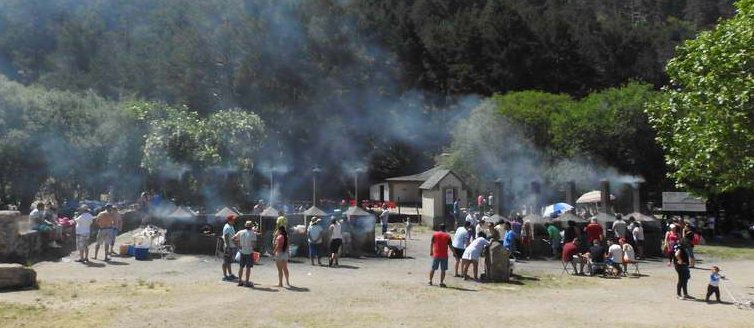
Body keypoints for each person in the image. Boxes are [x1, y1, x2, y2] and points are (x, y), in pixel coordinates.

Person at [232, 221, 258, 287]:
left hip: (242, 251)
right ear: (251, 226)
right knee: (248, 268)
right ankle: (246, 282)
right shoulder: (253, 233)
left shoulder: (240, 232)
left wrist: (238, 245)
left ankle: (240, 281)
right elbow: (254, 245)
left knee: (241, 267)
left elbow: (233, 238)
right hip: (249, 252)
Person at [221, 215, 238, 281]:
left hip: (231, 246)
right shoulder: (227, 227)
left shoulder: (231, 226)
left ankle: (230, 274)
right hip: (228, 246)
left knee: (229, 261)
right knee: (225, 261)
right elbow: (226, 237)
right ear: (229, 220)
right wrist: (227, 246)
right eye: (232, 220)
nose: (233, 221)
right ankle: (225, 276)